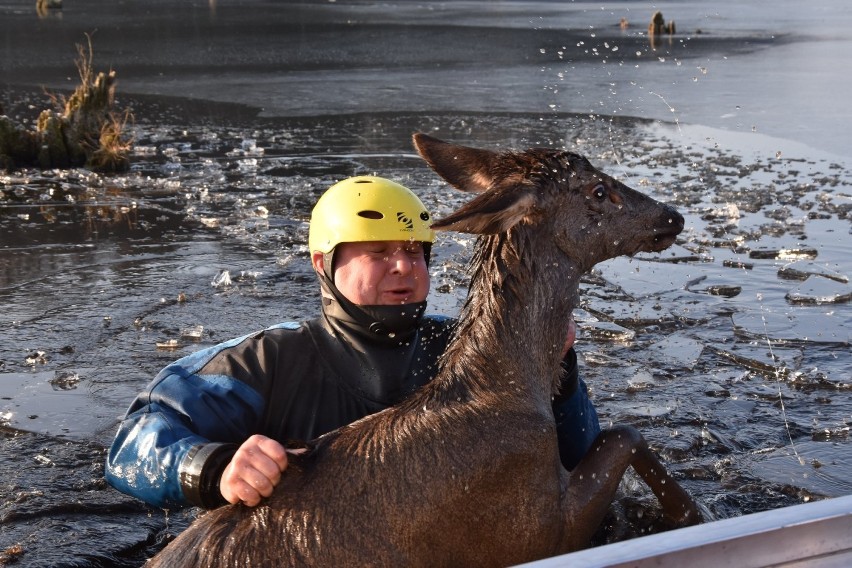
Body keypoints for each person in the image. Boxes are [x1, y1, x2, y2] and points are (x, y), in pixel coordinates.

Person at [105, 175, 600, 510]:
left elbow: (578, 454)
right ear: (323, 263)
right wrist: (215, 468)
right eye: (379, 252)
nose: (404, 266)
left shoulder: (471, 348)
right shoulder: (268, 361)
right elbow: (132, 444)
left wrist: (557, 372)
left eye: (414, 252)